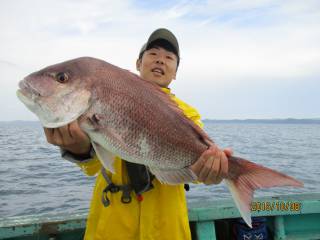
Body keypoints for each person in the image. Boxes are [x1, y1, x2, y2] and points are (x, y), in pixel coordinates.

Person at [44, 28, 232, 240]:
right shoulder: (107, 95)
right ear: (138, 64)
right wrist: (79, 151)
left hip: (166, 230)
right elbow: (94, 167)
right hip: (111, 228)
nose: (160, 60)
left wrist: (210, 170)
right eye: (153, 54)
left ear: (175, 72)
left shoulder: (188, 115)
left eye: (169, 58)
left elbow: (193, 171)